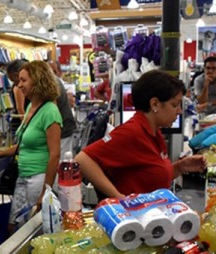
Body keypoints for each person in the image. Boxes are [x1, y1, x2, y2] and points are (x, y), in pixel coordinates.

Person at [75, 70, 207, 200]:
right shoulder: (132, 133)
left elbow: (151, 175)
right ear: (154, 104)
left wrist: (180, 167)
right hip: (133, 217)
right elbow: (83, 159)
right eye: (175, 105)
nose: (179, 111)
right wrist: (118, 197)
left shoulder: (154, 133)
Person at [0, 60, 62, 233]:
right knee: (15, 227)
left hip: (38, 178)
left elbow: (55, 155)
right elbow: (22, 145)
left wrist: (46, 191)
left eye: (23, 80)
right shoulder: (31, 107)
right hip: (23, 177)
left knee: (30, 231)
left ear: (37, 81)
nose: (18, 85)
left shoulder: (50, 110)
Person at [48, 60, 76, 158]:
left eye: (54, 71)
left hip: (63, 130)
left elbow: (53, 110)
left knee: (61, 160)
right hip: (63, 128)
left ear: (59, 72)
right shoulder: (55, 82)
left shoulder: (54, 83)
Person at [6, 59, 30, 133]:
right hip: (20, 123)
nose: (18, 85)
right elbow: (20, 109)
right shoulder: (19, 88)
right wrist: (26, 126)